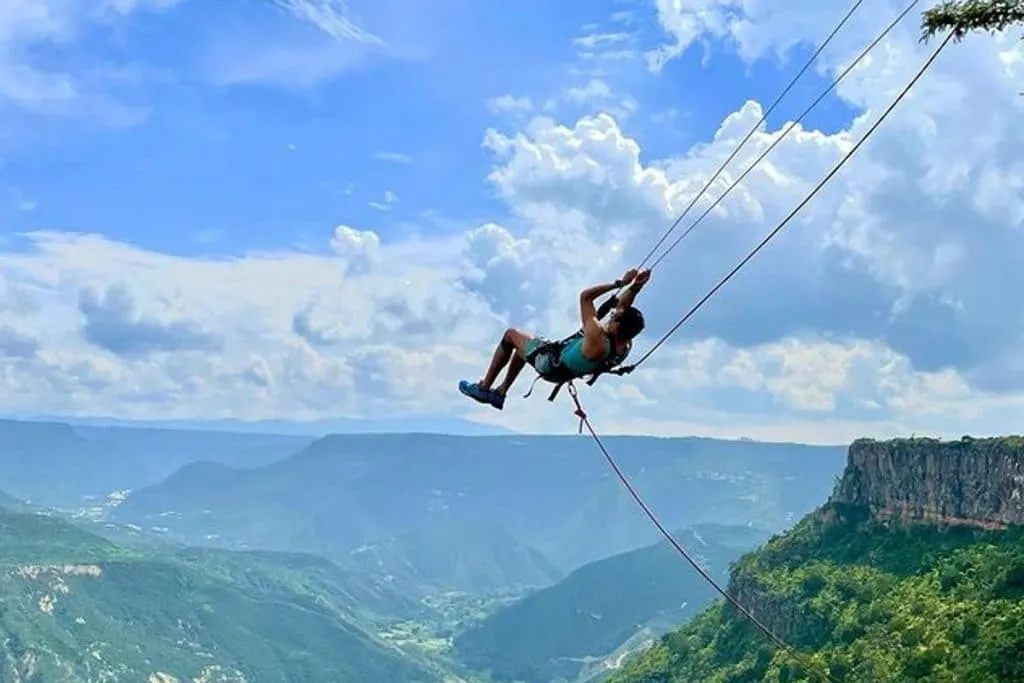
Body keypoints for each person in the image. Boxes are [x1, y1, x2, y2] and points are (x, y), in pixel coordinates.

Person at [459, 268, 651, 410]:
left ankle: (484, 388)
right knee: (524, 349)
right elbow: (624, 308)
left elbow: (585, 297)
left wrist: (619, 284)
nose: (611, 316)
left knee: (511, 335)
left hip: (550, 364)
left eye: (613, 317)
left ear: (617, 326)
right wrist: (635, 287)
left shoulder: (597, 337)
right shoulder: (624, 346)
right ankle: (500, 393)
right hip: (562, 370)